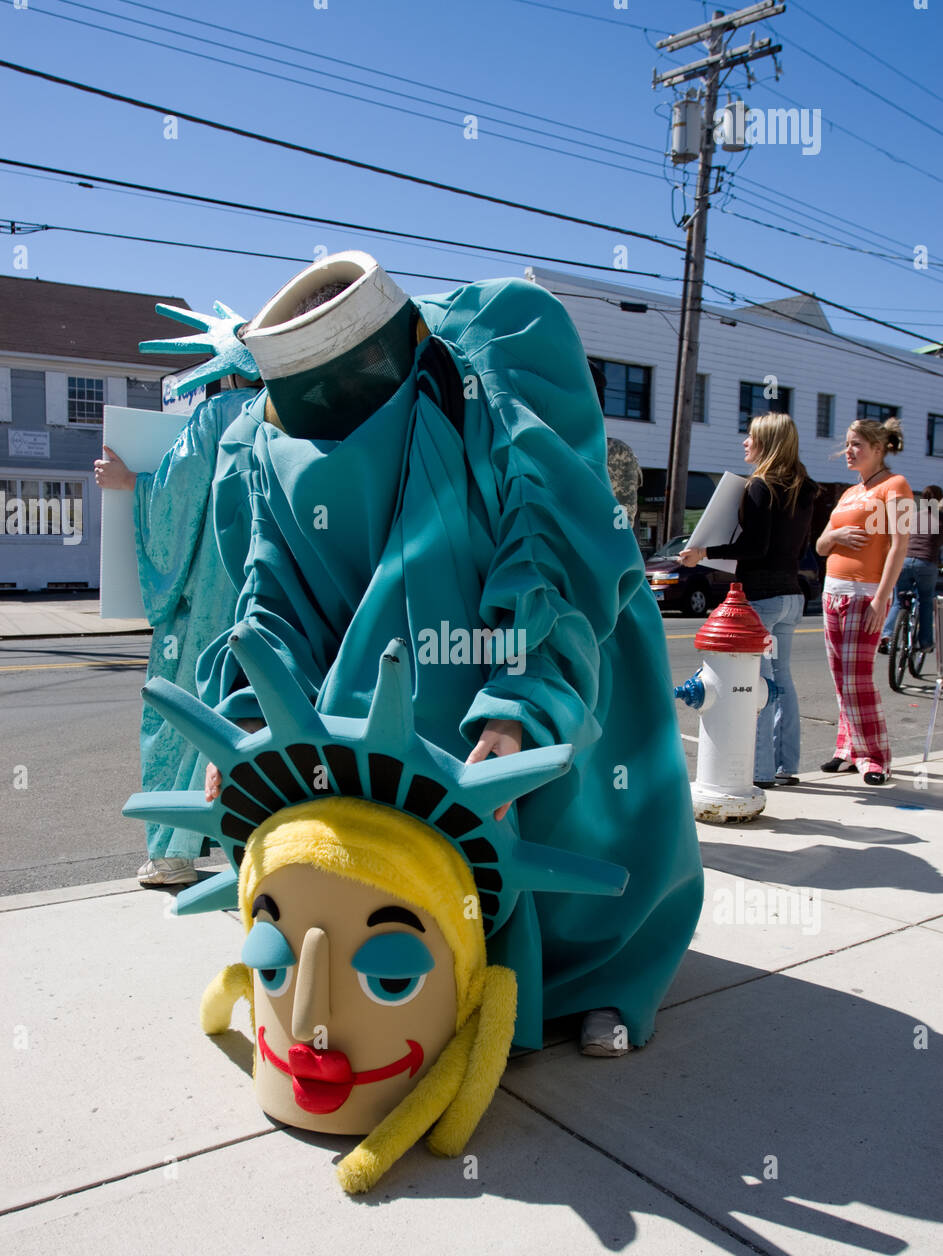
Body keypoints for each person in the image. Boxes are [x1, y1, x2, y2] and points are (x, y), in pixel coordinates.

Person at [147, 251, 703, 1060]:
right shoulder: (257, 447)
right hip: (372, 675)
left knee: (569, 812)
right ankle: (411, 984)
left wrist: (523, 703)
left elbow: (547, 543)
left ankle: (598, 979)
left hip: (519, 634)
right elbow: (268, 599)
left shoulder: (498, 357)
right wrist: (245, 720)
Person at [94, 385, 256, 884]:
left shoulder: (216, 413)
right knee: (260, 710)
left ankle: (172, 852)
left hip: (211, 593)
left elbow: (177, 496)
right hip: (272, 586)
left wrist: (132, 484)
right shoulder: (293, 408)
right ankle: (259, 847)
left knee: (185, 711)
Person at [679, 413, 817, 787]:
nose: (745, 442)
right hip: (791, 596)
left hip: (761, 601)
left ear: (767, 443)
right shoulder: (805, 489)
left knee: (759, 687)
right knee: (782, 682)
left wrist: (704, 550)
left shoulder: (760, 487)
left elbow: (755, 546)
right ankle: (787, 766)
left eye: (751, 437)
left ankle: (760, 772)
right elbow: (799, 546)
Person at [815, 416, 912, 786]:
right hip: (833, 592)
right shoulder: (848, 493)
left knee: (858, 681)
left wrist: (881, 598)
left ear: (878, 448)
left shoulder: (896, 485)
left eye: (856, 444)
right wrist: (837, 532)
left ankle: (874, 757)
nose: (848, 451)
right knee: (841, 679)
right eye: (847, 443)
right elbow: (822, 546)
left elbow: (900, 545)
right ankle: (847, 749)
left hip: (865, 595)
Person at [878, 484, 942, 657]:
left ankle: (887, 635)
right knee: (925, 600)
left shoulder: (913, 517)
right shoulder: (939, 518)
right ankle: (926, 643)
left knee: (898, 601)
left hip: (904, 562)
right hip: (926, 564)